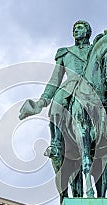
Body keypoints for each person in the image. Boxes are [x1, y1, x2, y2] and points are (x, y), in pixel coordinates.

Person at [19, 20, 93, 172]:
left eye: (79, 28)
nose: (76, 31)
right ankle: (56, 143)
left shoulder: (96, 50)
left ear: (87, 31)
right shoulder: (65, 53)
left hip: (93, 87)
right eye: (74, 29)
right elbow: (55, 80)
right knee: (57, 106)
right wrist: (42, 101)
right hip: (70, 87)